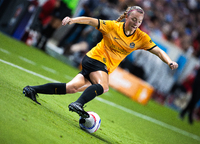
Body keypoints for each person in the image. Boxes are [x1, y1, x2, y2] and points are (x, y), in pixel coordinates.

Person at [23, 6, 178, 118]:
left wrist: (169, 61)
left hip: (102, 67)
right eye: (134, 19)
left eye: (139, 21)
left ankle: (32, 90)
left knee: (71, 87)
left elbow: (158, 51)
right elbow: (91, 21)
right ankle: (78, 104)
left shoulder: (141, 37)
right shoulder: (112, 26)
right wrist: (73, 20)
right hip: (94, 60)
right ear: (127, 17)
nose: (136, 23)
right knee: (103, 86)